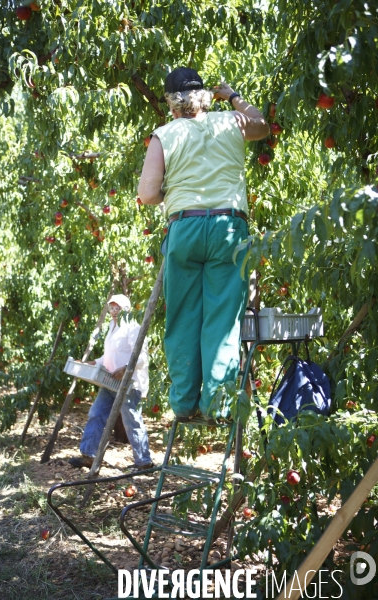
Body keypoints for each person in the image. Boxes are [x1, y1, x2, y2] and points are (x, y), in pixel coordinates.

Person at [137, 67, 269, 421]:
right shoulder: (232, 121)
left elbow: (147, 194)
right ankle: (218, 405)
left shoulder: (163, 135)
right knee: (223, 318)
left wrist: (177, 190)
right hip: (229, 227)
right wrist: (232, 95)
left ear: (171, 103)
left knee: (182, 318)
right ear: (205, 98)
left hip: (185, 226)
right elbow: (262, 124)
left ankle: (183, 405)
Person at [69, 294, 153, 470]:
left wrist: (125, 368)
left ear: (126, 310)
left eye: (118, 308)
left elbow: (142, 357)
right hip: (110, 381)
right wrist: (94, 362)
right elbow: (110, 355)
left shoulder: (133, 328)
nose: (114, 311)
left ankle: (144, 461)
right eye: (112, 308)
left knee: (131, 420)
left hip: (130, 383)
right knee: (96, 413)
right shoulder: (112, 327)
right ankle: (89, 455)